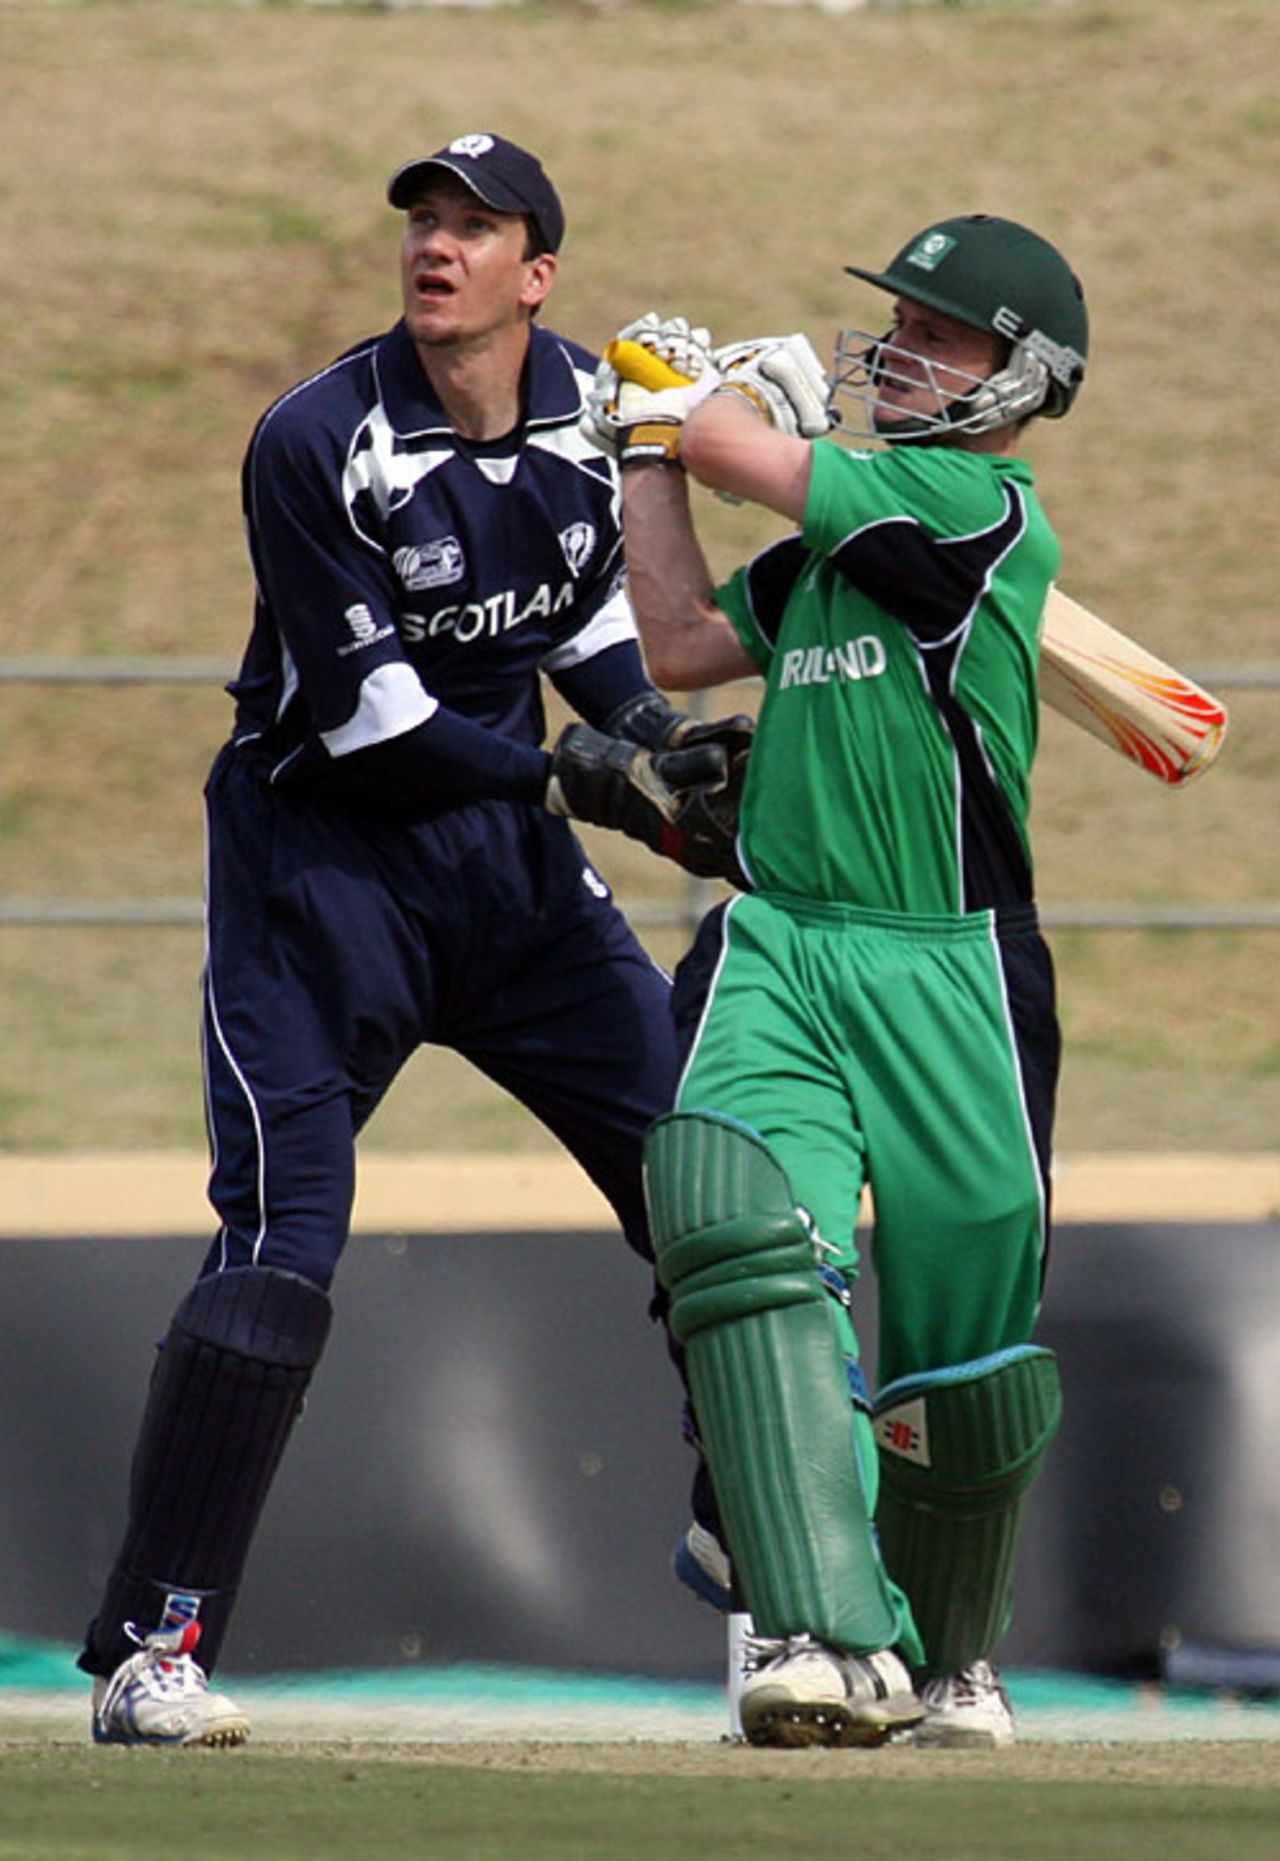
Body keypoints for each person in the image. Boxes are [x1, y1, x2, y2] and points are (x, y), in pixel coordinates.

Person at [79, 132, 748, 1747]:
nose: (435, 248)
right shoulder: (317, 436)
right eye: (421, 225)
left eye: (475, 227)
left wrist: (664, 740)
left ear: (540, 274)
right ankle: (152, 1651)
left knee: (716, 1202)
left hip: (506, 880)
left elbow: (581, 625)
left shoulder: (593, 411)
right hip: (320, 880)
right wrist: (576, 773)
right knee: (281, 1245)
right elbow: (375, 721)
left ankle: (779, 1605)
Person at [584, 214, 1088, 1748]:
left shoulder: (974, 512)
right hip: (789, 940)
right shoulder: (829, 550)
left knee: (967, 1354)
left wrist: (686, 406)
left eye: (947, 336)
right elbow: (670, 641)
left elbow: (764, 460)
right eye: (904, 325)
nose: (905, 352)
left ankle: (955, 1656)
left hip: (954, 962)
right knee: (750, 1248)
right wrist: (645, 457)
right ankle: (816, 1629)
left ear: (1025, 381)